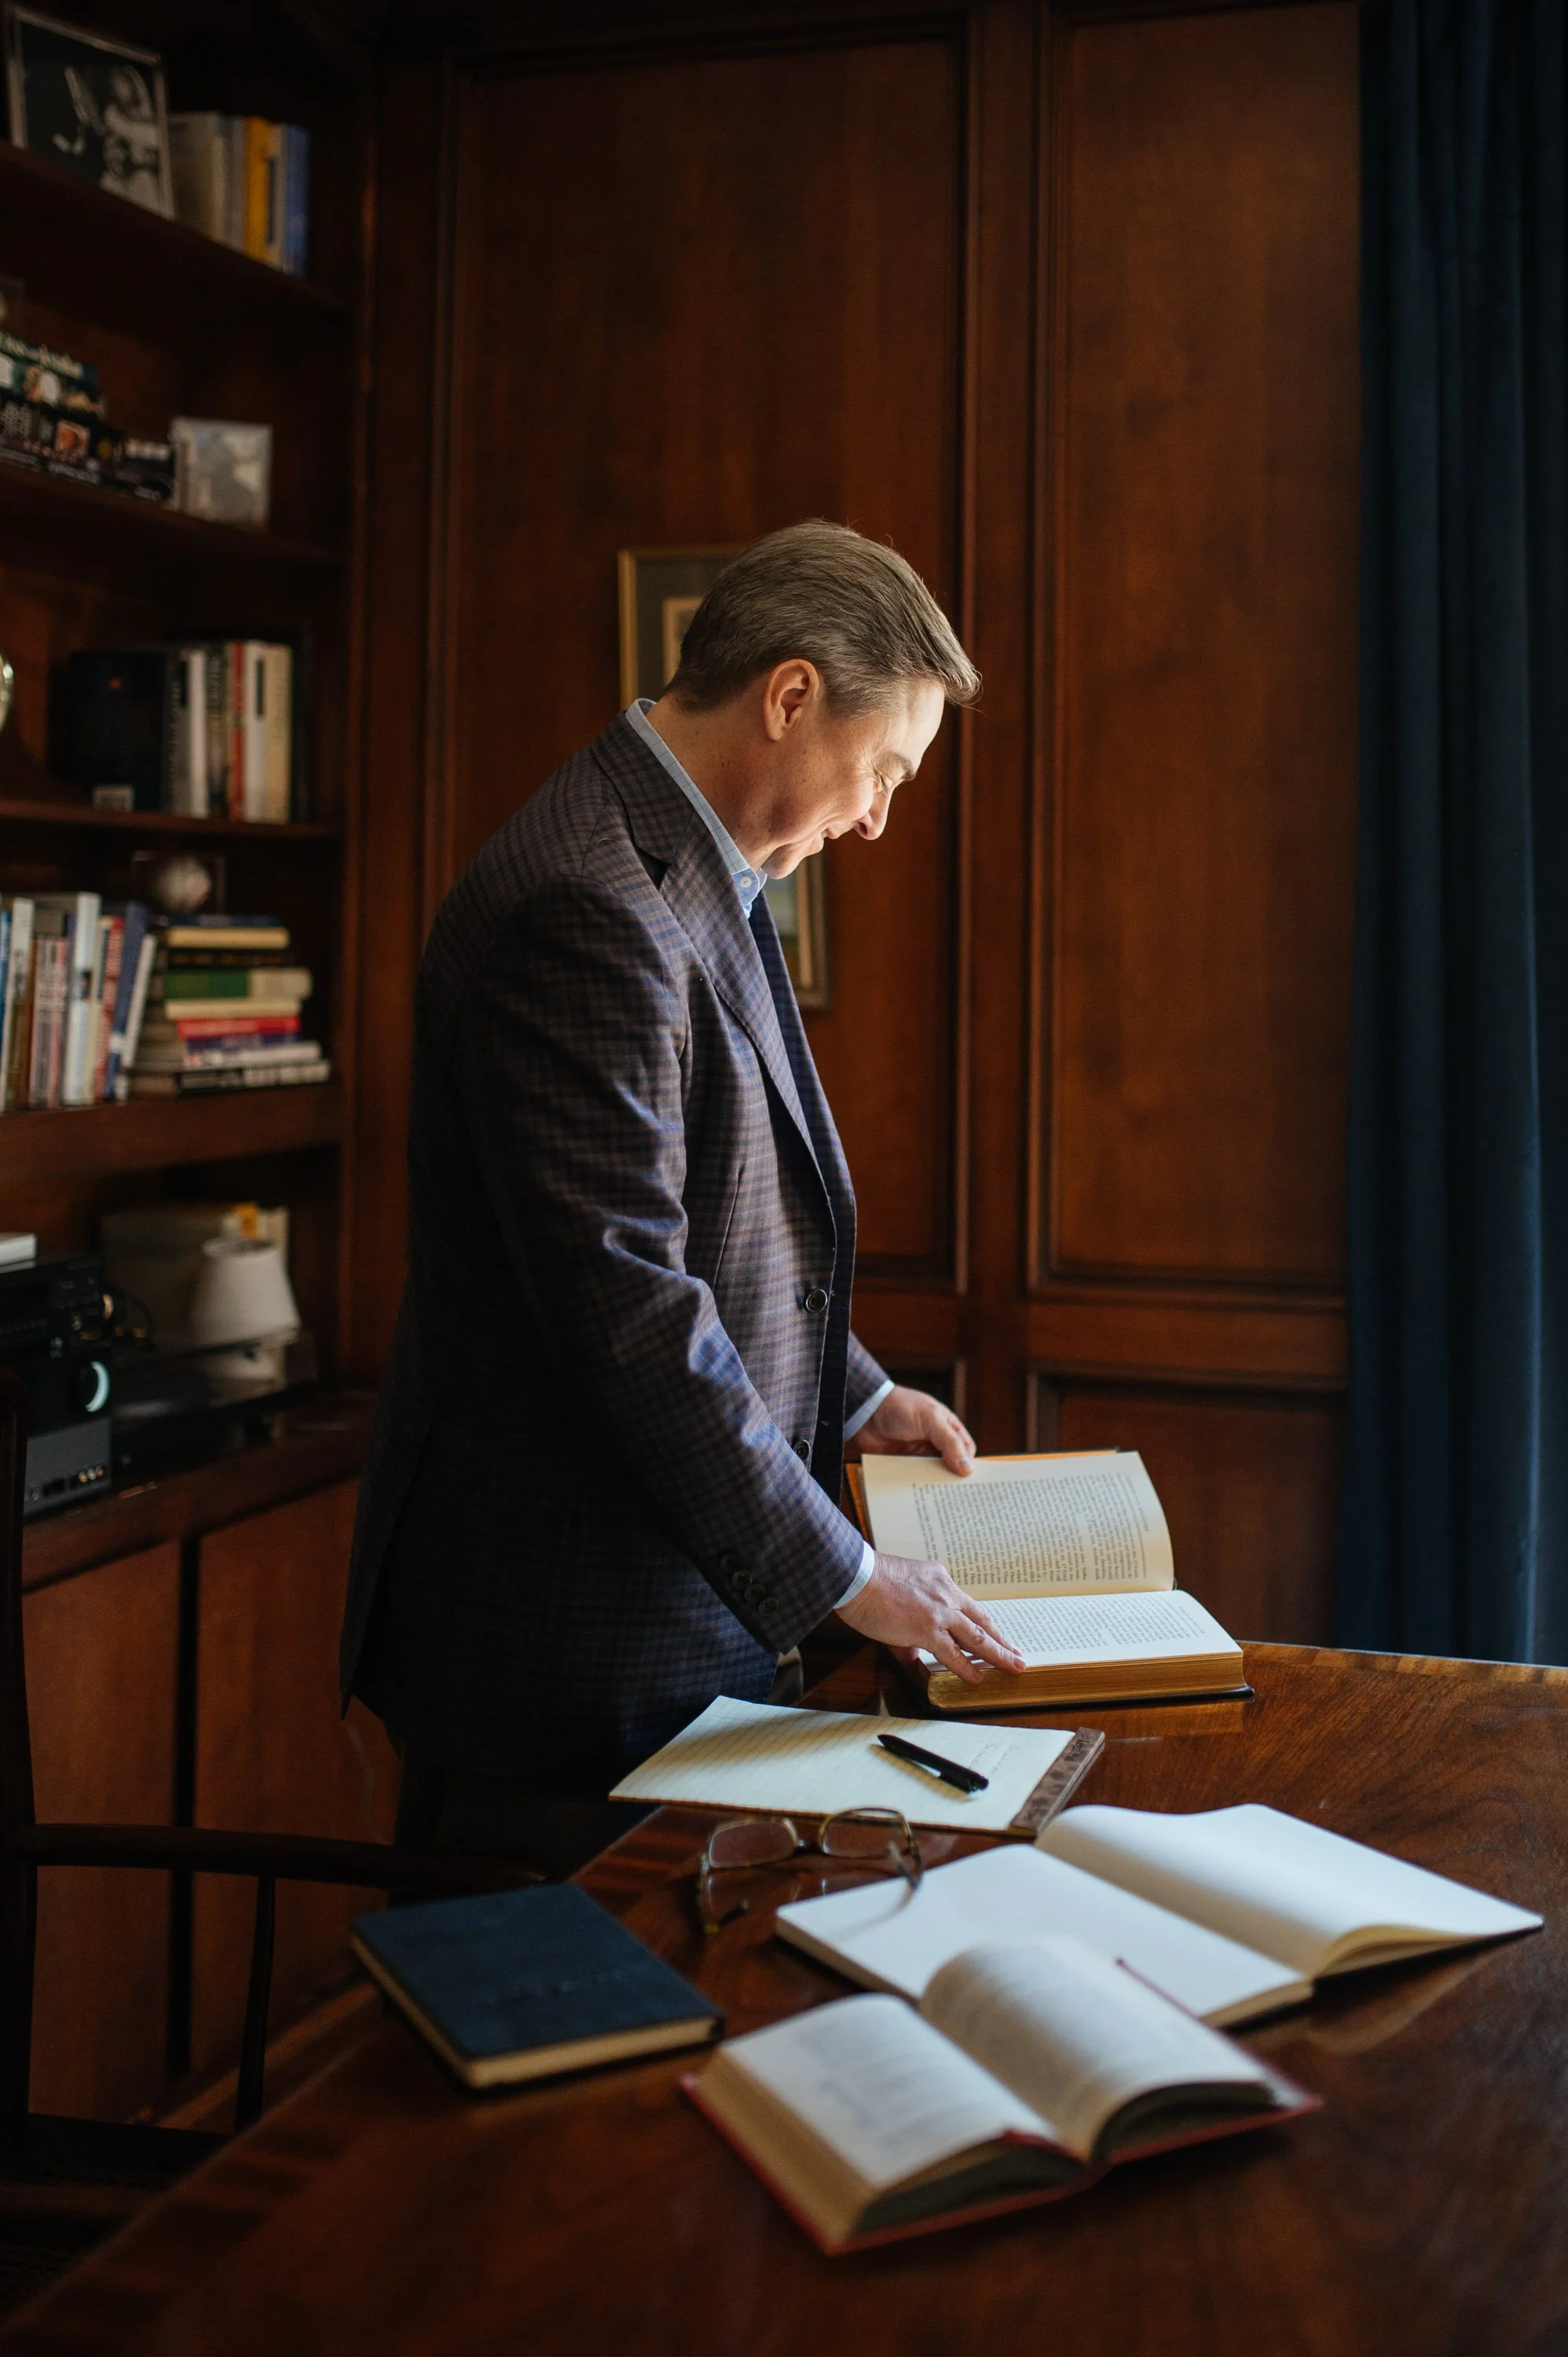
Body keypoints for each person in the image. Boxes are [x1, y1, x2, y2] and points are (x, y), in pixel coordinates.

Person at [341, 520, 1024, 1876]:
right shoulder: (585, 905)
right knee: (547, 2071)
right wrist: (851, 1578)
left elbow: (722, 1210)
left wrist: (852, 1392)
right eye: (882, 767)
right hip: (562, 1653)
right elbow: (633, 1314)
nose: (879, 816)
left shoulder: (698, 862)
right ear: (789, 697)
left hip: (657, 1631)